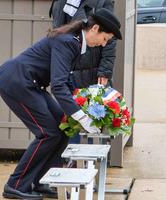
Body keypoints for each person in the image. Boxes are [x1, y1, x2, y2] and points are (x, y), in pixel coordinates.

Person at [0, 8, 122, 200]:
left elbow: (64, 81)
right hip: (18, 82)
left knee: (62, 128)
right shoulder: (69, 42)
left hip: (32, 85)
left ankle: (44, 181)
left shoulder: (76, 42)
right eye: (105, 39)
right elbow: (59, 86)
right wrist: (82, 117)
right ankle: (15, 184)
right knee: (47, 133)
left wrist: (82, 103)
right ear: (95, 29)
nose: (104, 44)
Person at [50, 0, 117, 144]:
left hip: (93, 73)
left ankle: (91, 161)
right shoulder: (62, 2)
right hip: (70, 70)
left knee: (94, 118)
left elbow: (110, 38)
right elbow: (57, 32)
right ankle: (71, 161)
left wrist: (105, 71)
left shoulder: (103, 1)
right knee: (71, 118)